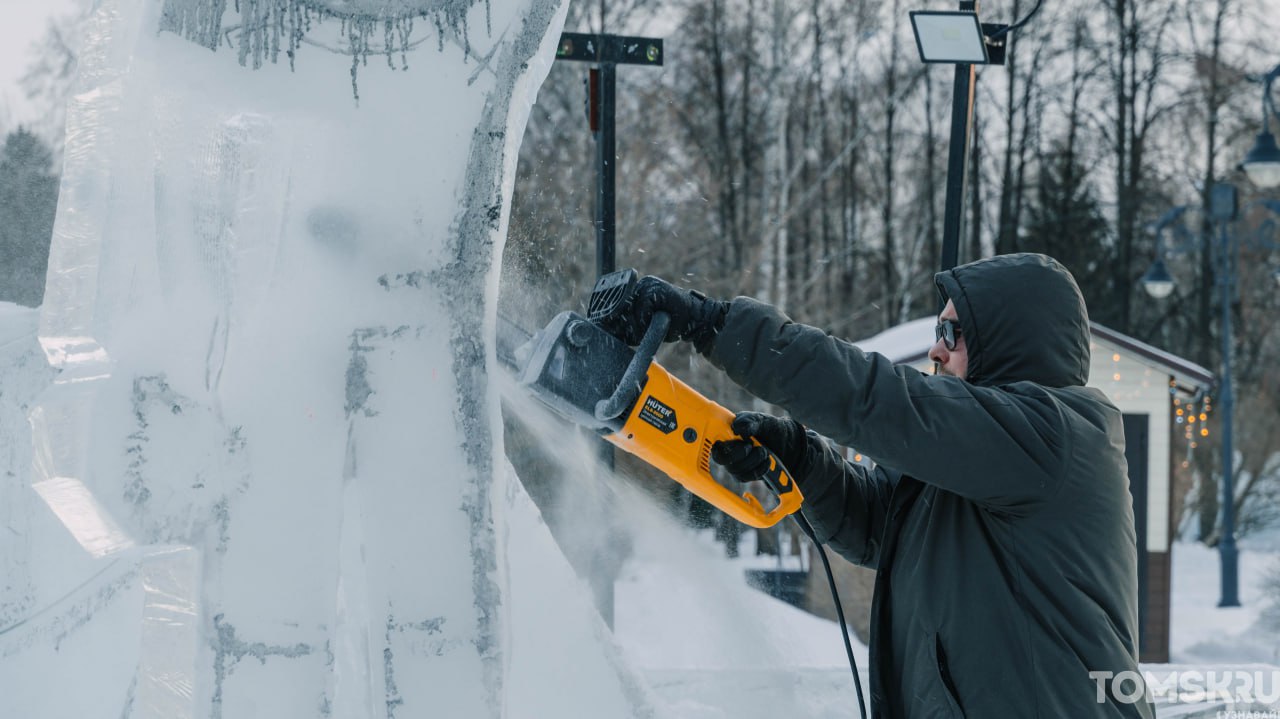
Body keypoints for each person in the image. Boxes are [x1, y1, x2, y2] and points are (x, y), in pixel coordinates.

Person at [602, 253, 1155, 718]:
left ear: (1012, 339)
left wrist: (712, 324)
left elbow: (876, 400)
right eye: (938, 332)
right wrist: (802, 459)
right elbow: (875, 525)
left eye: (953, 333)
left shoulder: (1056, 435)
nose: (936, 349)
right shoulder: (978, 461)